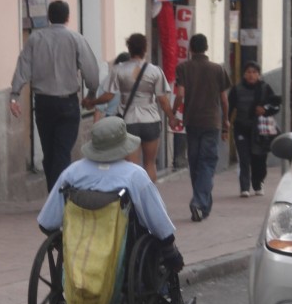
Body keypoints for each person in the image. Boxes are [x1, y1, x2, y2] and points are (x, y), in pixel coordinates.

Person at [37, 116, 184, 272]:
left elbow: (46, 223)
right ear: (123, 145)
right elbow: (158, 220)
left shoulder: (72, 173)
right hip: (124, 253)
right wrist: (171, 253)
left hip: (80, 251)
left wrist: (65, 244)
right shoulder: (134, 175)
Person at [10, 0, 100, 192]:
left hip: (43, 103)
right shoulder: (75, 39)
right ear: (68, 18)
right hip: (67, 103)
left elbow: (23, 66)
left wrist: (14, 94)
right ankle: (58, 195)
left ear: (48, 17)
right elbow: (91, 71)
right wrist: (91, 93)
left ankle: (54, 193)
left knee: (49, 152)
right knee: (62, 151)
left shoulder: (35, 39)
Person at [83, 33, 177, 183]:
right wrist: (171, 118)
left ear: (129, 48)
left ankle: (131, 201)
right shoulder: (155, 71)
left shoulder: (118, 70)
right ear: (145, 49)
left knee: (131, 167)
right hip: (151, 121)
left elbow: (108, 96)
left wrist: (92, 102)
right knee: (150, 164)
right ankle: (149, 199)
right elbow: (162, 100)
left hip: (128, 122)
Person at [173, 33, 230, 222]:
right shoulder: (217, 69)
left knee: (195, 163)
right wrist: (226, 121)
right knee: (207, 163)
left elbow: (180, 95)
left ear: (190, 48)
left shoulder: (183, 68)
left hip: (192, 121)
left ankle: (202, 204)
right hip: (212, 122)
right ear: (206, 48)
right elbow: (223, 99)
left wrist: (174, 112)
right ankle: (199, 203)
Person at [228, 61, 281, 198]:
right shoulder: (237, 89)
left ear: (259, 74)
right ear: (244, 74)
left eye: (254, 72)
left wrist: (265, 109)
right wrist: (225, 125)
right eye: (248, 72)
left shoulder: (265, 88)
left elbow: (275, 105)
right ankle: (244, 187)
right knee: (244, 158)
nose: (251, 75)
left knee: (259, 158)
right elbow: (230, 108)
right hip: (241, 128)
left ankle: (258, 183)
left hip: (260, 131)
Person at [93, 52, 129, 123]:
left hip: (112, 120)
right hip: (131, 119)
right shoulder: (135, 80)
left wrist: (95, 129)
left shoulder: (107, 80)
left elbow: (99, 108)